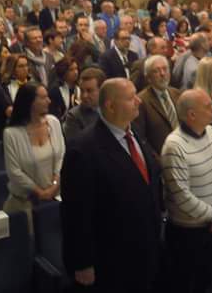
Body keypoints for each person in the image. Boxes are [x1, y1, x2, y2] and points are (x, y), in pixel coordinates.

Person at [61, 78, 161, 292]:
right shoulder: (83, 149)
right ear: (111, 105)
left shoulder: (134, 133)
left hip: (144, 247)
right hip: (111, 257)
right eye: (131, 97)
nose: (138, 101)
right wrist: (82, 262)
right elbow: (76, 213)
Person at [161, 88, 212, 293]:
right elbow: (182, 196)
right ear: (192, 114)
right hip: (187, 233)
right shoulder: (174, 146)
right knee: (185, 284)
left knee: (208, 280)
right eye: (207, 106)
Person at [3, 82, 64, 229]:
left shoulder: (53, 123)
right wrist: (40, 192)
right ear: (30, 102)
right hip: (24, 204)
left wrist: (54, 184)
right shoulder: (11, 134)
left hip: (54, 198)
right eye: (43, 98)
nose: (49, 101)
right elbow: (14, 172)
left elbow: (61, 155)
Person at [135, 55, 181, 161]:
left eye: (165, 69)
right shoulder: (141, 101)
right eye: (156, 71)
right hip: (163, 158)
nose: (162, 74)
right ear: (148, 77)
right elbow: (141, 137)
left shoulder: (177, 94)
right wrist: (156, 159)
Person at [61, 67, 104, 141]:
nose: (84, 95)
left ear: (102, 89)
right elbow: (75, 147)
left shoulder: (113, 110)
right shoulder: (74, 116)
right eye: (82, 90)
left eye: (89, 91)